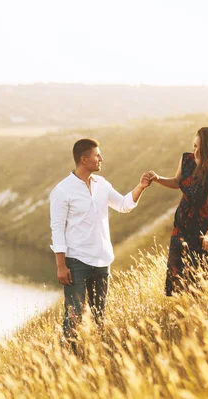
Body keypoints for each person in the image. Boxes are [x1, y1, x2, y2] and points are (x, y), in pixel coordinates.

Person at [49, 138, 151, 350]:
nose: (101, 159)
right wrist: (61, 265)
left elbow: (123, 205)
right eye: (97, 155)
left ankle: (97, 357)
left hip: (102, 261)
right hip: (76, 261)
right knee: (74, 316)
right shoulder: (62, 191)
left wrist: (140, 187)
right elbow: (57, 230)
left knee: (99, 316)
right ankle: (67, 359)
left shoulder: (102, 185)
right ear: (84, 159)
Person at [146, 127, 208, 296]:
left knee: (201, 280)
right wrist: (158, 179)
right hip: (180, 228)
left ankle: (202, 312)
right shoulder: (186, 159)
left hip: (201, 231)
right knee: (178, 279)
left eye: (200, 148)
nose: (196, 150)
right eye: (194, 146)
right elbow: (177, 182)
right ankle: (183, 314)